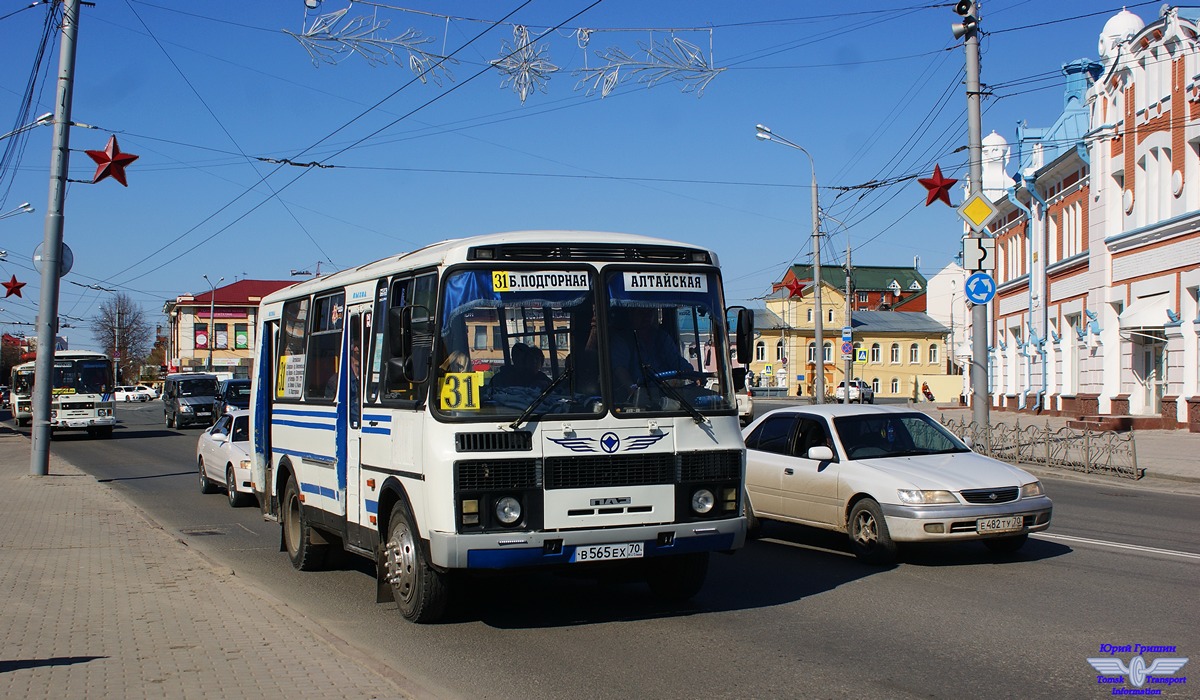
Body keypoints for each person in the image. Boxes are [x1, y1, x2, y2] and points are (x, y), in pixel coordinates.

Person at [608, 306, 693, 390]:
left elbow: (677, 361)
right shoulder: (622, 340)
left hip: (671, 394)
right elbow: (620, 370)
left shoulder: (662, 338)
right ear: (631, 314)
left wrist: (692, 374)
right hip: (639, 399)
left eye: (649, 312)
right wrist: (633, 391)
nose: (646, 316)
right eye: (641, 313)